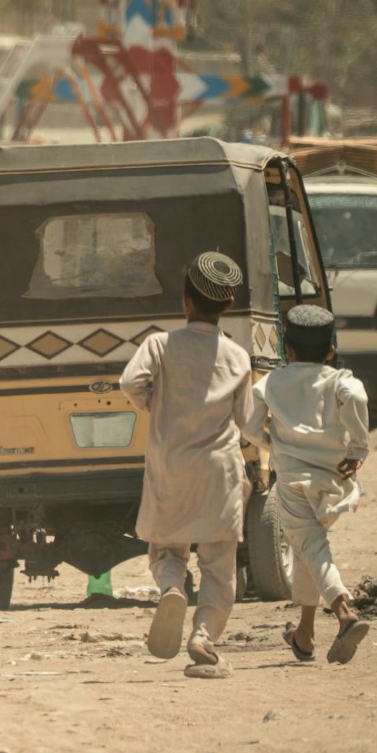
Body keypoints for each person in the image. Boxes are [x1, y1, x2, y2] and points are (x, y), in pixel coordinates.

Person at [119, 252, 254, 678]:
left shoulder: (159, 344)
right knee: (219, 563)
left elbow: (129, 383)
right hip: (220, 468)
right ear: (228, 307)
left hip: (171, 462)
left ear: (185, 301)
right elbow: (246, 421)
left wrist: (153, 404)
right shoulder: (238, 357)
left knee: (165, 547)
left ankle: (172, 587)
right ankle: (203, 637)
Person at [245, 304, 372, 665]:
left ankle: (344, 612)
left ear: (288, 349)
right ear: (331, 350)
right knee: (307, 550)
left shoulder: (271, 382)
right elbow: (358, 398)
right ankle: (304, 634)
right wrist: (358, 448)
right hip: (334, 480)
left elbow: (250, 427)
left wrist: (274, 443)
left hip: (292, 481)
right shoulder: (339, 380)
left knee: (311, 547)